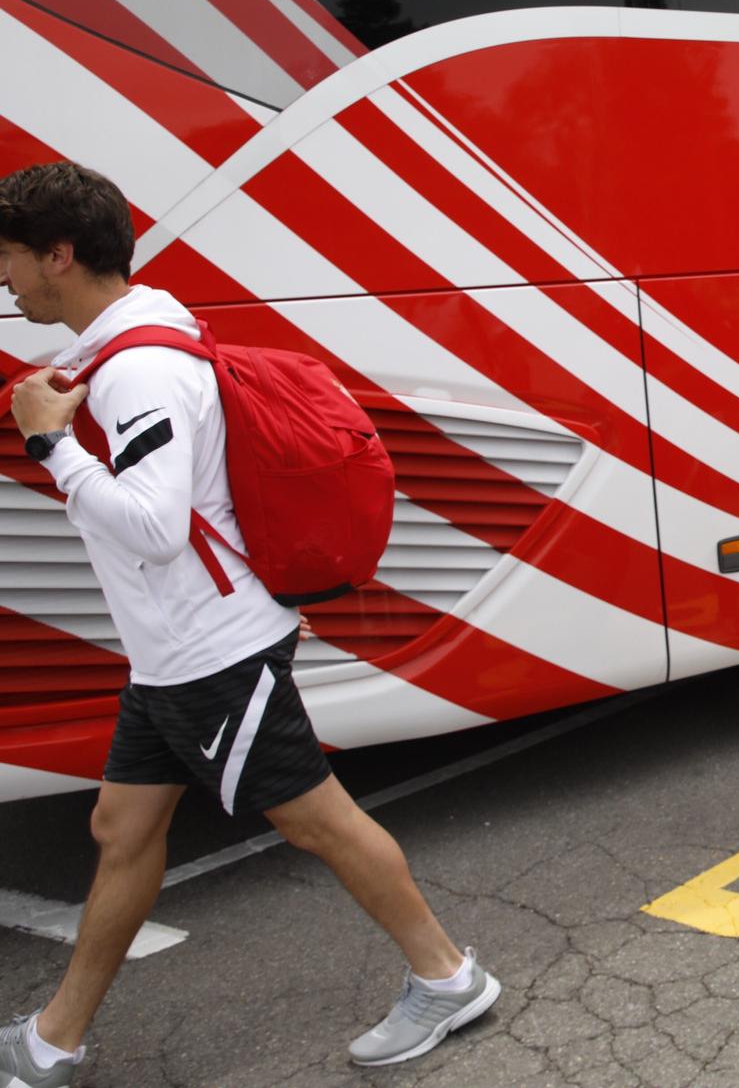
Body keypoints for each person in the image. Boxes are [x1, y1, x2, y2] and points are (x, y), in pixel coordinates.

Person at [0, 162, 498, 1087]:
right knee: (121, 826)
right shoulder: (137, 339)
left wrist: (50, 444)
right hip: (175, 654)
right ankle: (51, 1041)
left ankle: (448, 975)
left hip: (208, 652)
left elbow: (153, 525)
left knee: (321, 822)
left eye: (12, 259)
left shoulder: (137, 369)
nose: (6, 280)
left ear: (58, 256)